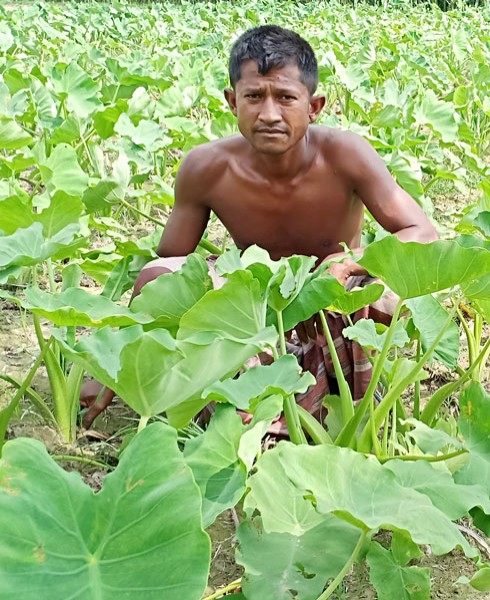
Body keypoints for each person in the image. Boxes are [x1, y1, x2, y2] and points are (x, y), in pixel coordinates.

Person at [81, 25, 437, 428]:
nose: (269, 114)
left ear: (314, 106)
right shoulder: (207, 168)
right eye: (254, 96)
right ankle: (245, 396)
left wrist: (353, 260)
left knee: (386, 291)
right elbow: (169, 268)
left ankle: (345, 391)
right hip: (254, 307)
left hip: (334, 299)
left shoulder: (346, 154)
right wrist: (117, 360)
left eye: (285, 97)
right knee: (155, 276)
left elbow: (422, 233)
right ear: (232, 101)